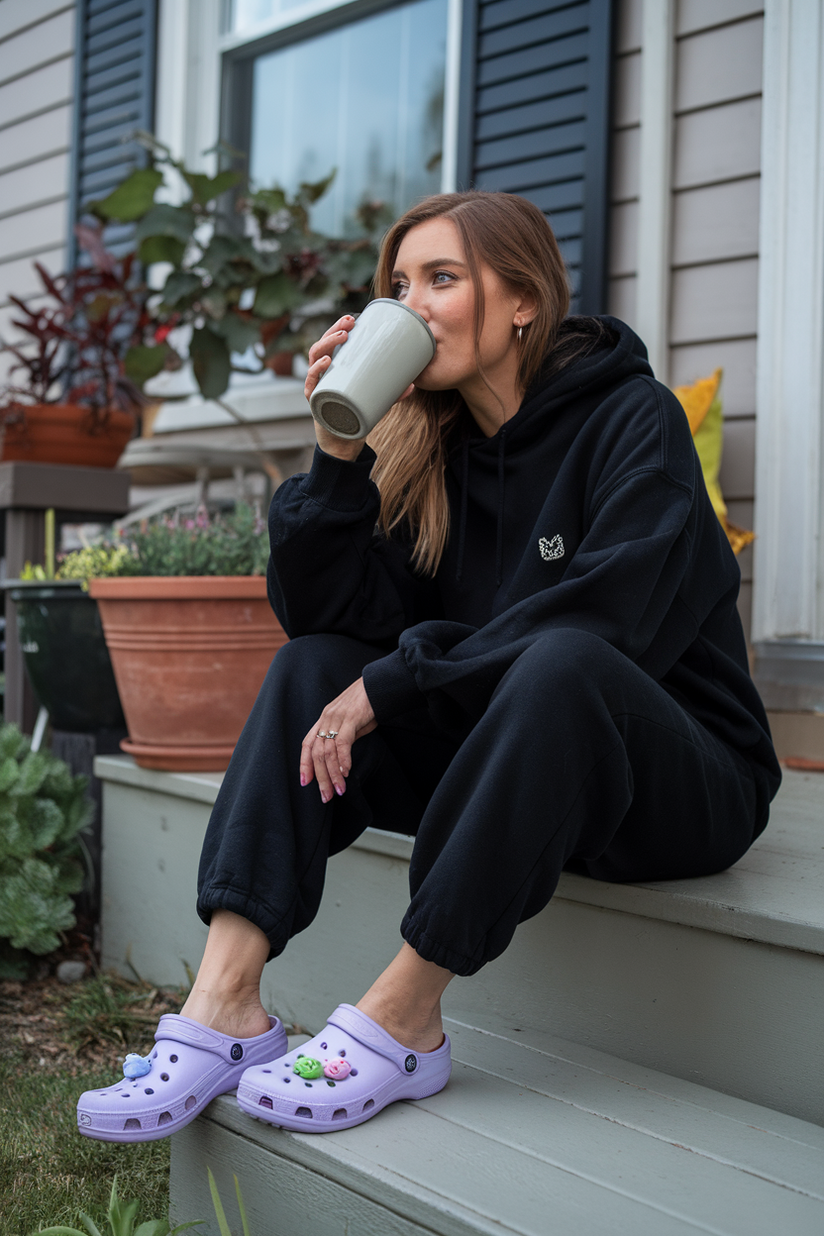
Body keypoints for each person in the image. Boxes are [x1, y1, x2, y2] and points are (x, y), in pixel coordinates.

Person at [77, 191, 780, 1143]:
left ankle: (406, 1015)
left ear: (525, 299)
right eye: (397, 286)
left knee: (563, 661)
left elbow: (608, 620)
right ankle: (224, 1005)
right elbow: (329, 622)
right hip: (515, 770)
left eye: (442, 279)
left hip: (674, 782)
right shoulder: (430, 443)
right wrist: (337, 452)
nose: (408, 306)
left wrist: (396, 685)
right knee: (313, 668)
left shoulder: (632, 420)